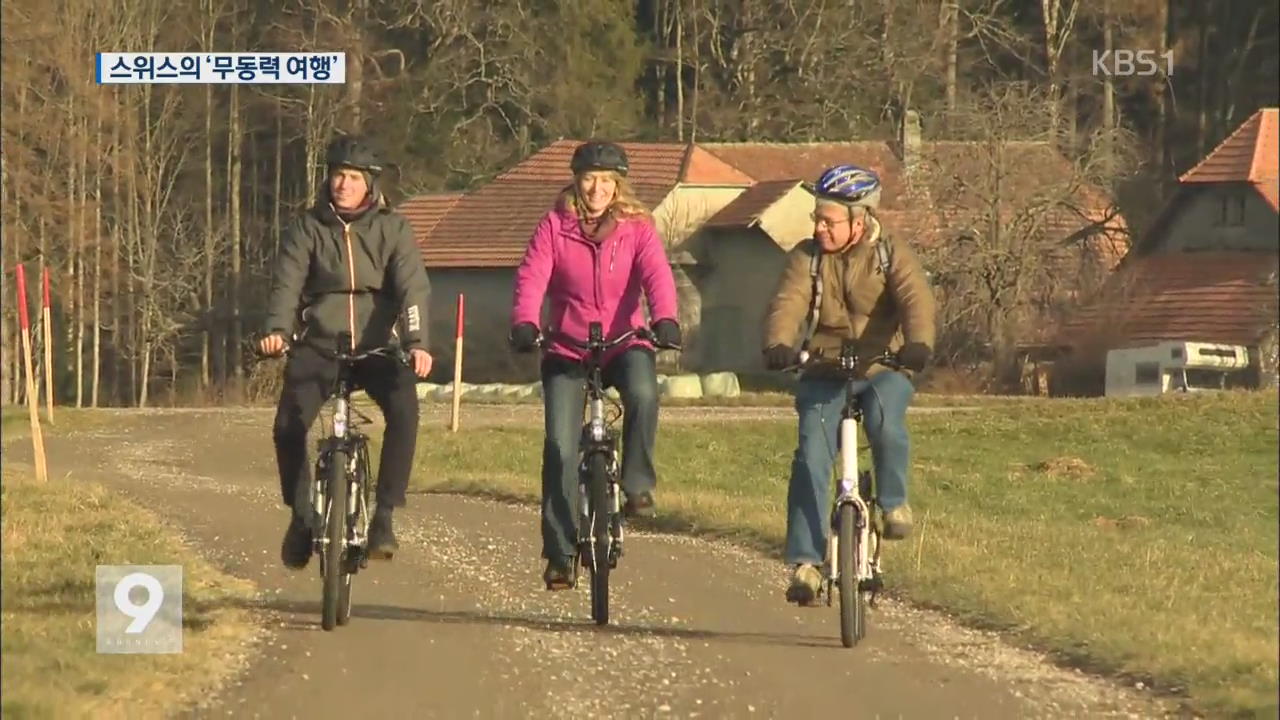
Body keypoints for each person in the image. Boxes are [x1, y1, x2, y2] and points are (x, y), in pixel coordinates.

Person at [508, 140, 681, 590]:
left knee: (644, 394)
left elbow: (657, 274)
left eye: (607, 180)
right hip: (567, 346)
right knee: (560, 448)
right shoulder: (554, 226)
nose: (597, 188)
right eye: (590, 178)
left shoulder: (638, 227)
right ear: (576, 180)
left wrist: (665, 319)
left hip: (625, 342)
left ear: (618, 185)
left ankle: (638, 482)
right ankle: (560, 554)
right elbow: (532, 276)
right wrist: (526, 322)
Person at [762, 164, 936, 605]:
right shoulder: (807, 257)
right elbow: (788, 303)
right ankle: (806, 562)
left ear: (859, 221)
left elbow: (916, 299)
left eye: (829, 220)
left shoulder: (890, 252)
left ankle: (893, 504)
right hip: (824, 368)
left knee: (885, 423)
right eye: (817, 219)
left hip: (882, 367)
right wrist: (779, 344)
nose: (820, 227)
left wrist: (917, 344)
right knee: (810, 457)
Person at [259, 134, 433, 570]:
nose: (343, 184)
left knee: (406, 412)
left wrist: (416, 343)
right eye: (338, 175)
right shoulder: (307, 228)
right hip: (320, 344)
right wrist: (277, 331)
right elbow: (287, 285)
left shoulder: (393, 229)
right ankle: (302, 516)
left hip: (377, 347)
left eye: (353, 177)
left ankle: (385, 516)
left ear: (370, 184)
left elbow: (413, 288)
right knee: (288, 426)